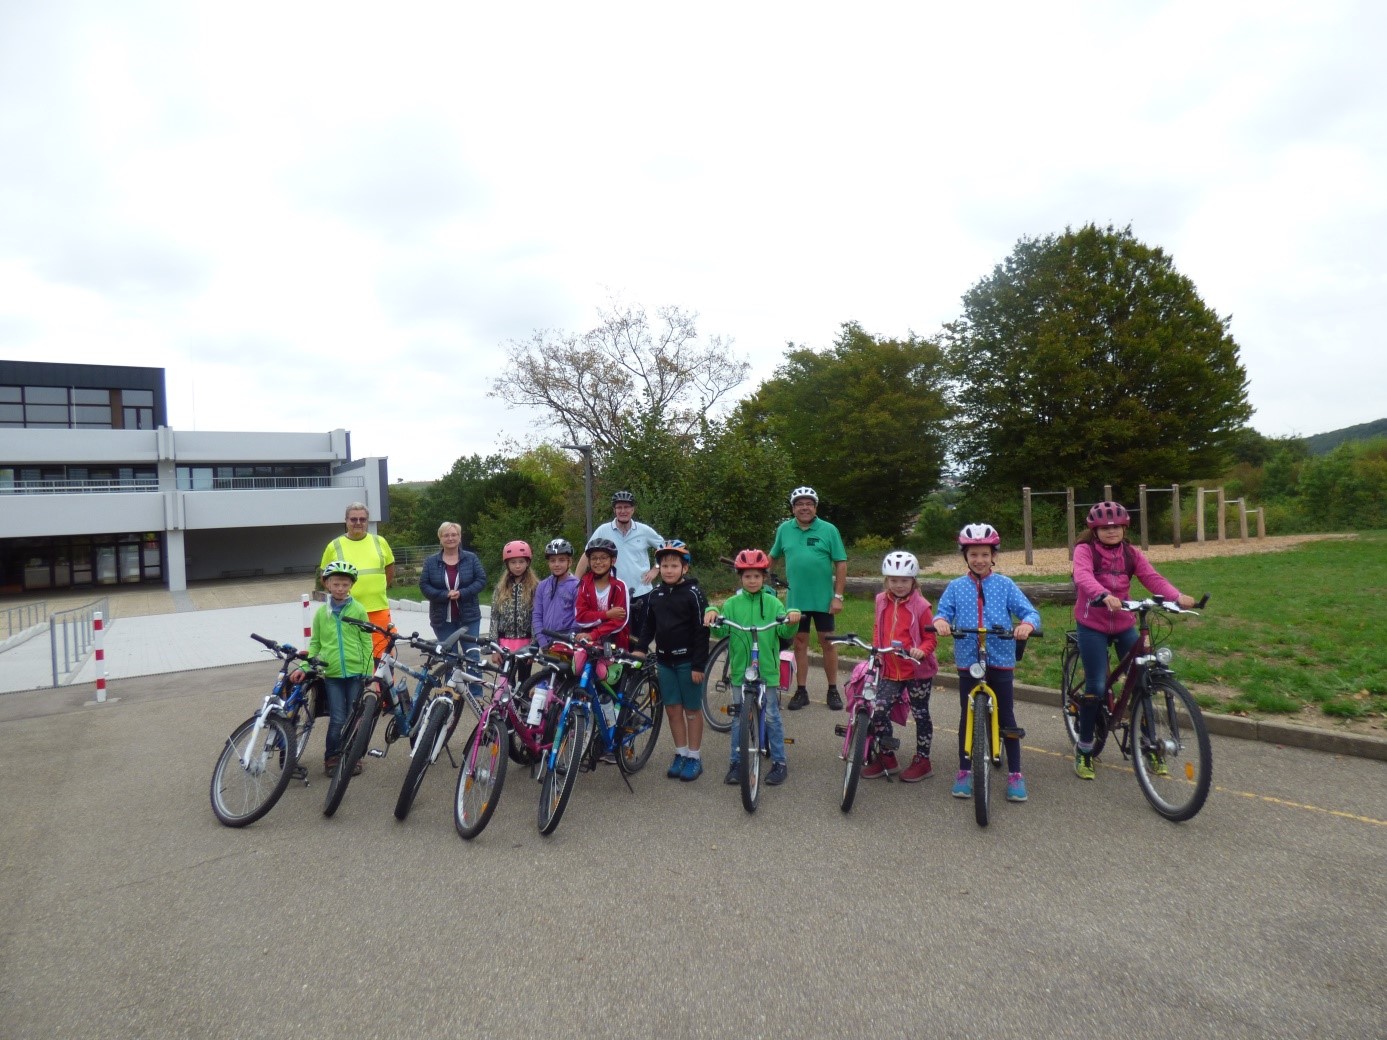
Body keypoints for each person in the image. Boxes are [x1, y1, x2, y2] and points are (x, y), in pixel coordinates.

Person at [1071, 501, 1195, 780]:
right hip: (1093, 623)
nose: (1111, 531)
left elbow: (1152, 578)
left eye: (1116, 526)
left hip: (1125, 620)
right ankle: (1085, 748)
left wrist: (1177, 596)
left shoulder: (1131, 553)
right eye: (1105, 527)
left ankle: (1150, 745)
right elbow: (1082, 576)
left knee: (1143, 681)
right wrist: (1103, 595)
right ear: (1095, 529)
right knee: (1097, 684)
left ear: (1124, 528)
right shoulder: (1085, 550)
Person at [933, 524, 1040, 804]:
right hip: (968, 658)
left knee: (1006, 715)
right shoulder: (956, 587)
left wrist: (1026, 625)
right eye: (973, 554)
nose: (979, 559)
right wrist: (941, 622)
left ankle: (1016, 773)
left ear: (993, 556)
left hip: (1001, 656)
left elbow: (1029, 611)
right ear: (965, 557)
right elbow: (942, 612)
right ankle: (964, 770)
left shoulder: (1005, 585)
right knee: (966, 714)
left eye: (984, 554)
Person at [704, 548, 801, 787]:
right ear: (740, 578)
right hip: (740, 669)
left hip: (767, 668)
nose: (752, 580)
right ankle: (736, 762)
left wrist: (791, 618)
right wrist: (712, 613)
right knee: (738, 717)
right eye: (747, 576)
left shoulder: (772, 602)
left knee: (771, 716)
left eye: (757, 576)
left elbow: (783, 630)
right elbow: (721, 629)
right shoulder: (733, 603)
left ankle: (779, 762)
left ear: (764, 577)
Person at [634, 540, 711, 782]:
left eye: (674, 565)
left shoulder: (693, 593)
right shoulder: (655, 594)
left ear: (684, 568)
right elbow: (649, 625)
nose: (668, 570)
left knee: (691, 710)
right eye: (664, 565)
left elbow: (702, 631)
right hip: (665, 662)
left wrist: (699, 665)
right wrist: (640, 648)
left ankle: (695, 757)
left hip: (689, 663)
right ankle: (681, 753)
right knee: (672, 709)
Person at [291, 561, 374, 777]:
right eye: (336, 584)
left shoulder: (358, 609)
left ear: (351, 586)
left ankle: (352, 755)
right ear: (327, 584)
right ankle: (332, 756)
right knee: (338, 717)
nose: (340, 588)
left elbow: (366, 642)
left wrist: (369, 672)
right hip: (333, 674)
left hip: (356, 673)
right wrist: (304, 665)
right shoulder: (321, 614)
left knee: (354, 716)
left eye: (345, 584)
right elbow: (316, 644)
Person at [862, 550, 939, 782]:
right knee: (879, 710)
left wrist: (921, 651)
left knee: (920, 713)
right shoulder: (880, 600)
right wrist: (876, 650)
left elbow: (931, 639)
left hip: (916, 671)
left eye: (904, 580)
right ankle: (887, 756)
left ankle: (923, 760)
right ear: (886, 580)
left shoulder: (922, 606)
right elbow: (878, 627)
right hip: (890, 669)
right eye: (893, 580)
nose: (898, 585)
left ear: (913, 581)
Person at [770, 486, 848, 711]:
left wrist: (838, 596)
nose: (804, 507)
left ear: (815, 507)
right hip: (796, 600)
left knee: (828, 643)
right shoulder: (785, 529)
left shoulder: (829, 529)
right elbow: (773, 556)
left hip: (823, 600)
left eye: (809, 504)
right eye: (799, 504)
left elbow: (841, 563)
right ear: (793, 508)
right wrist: (752, 571)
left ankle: (832, 689)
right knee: (800, 644)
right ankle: (801, 690)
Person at [575, 491, 665, 642]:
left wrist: (656, 568)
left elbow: (665, 548)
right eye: (619, 507)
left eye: (627, 507)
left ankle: (641, 664)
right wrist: (575, 582)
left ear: (633, 510)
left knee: (642, 638)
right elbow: (587, 555)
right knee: (619, 637)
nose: (623, 511)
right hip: (616, 594)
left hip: (642, 591)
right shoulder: (603, 530)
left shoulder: (643, 530)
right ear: (614, 510)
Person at [318, 502, 396, 658]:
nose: (358, 523)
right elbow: (324, 577)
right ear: (346, 521)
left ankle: (384, 684)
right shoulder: (334, 546)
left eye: (362, 519)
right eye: (353, 519)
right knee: (352, 654)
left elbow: (390, 569)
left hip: (378, 609)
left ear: (367, 521)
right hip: (347, 610)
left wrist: (377, 589)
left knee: (382, 656)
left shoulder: (380, 542)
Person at [418, 521, 487, 645]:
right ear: (440, 538)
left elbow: (481, 580)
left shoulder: (471, 558)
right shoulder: (430, 561)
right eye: (446, 535)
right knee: (449, 659)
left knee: (472, 656)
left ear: (459, 537)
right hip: (442, 620)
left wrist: (462, 593)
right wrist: (444, 595)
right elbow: (424, 585)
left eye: (454, 535)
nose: (450, 538)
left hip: (469, 618)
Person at [488, 540, 538, 682]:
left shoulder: (535, 587)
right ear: (507, 564)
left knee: (524, 681)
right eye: (513, 562)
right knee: (507, 682)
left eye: (521, 561)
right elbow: (494, 617)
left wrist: (534, 646)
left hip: (526, 642)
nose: (517, 566)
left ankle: (522, 704)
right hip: (504, 643)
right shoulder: (500, 589)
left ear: (527, 563)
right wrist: (494, 648)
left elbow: (537, 618)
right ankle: (508, 705)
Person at [574, 537, 630, 650]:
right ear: (589, 562)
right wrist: (607, 614)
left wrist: (593, 634)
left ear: (613, 561)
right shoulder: (584, 584)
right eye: (594, 558)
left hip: (614, 643)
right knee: (578, 666)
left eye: (603, 558)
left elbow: (619, 621)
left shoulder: (620, 587)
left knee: (604, 668)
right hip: (587, 643)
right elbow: (580, 617)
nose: (598, 562)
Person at [533, 538, 580, 648]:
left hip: (566, 642)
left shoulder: (576, 586)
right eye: (552, 560)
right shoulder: (542, 586)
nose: (557, 564)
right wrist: (542, 641)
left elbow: (578, 618)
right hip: (546, 640)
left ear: (570, 562)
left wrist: (568, 640)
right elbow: (537, 615)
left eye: (561, 560)